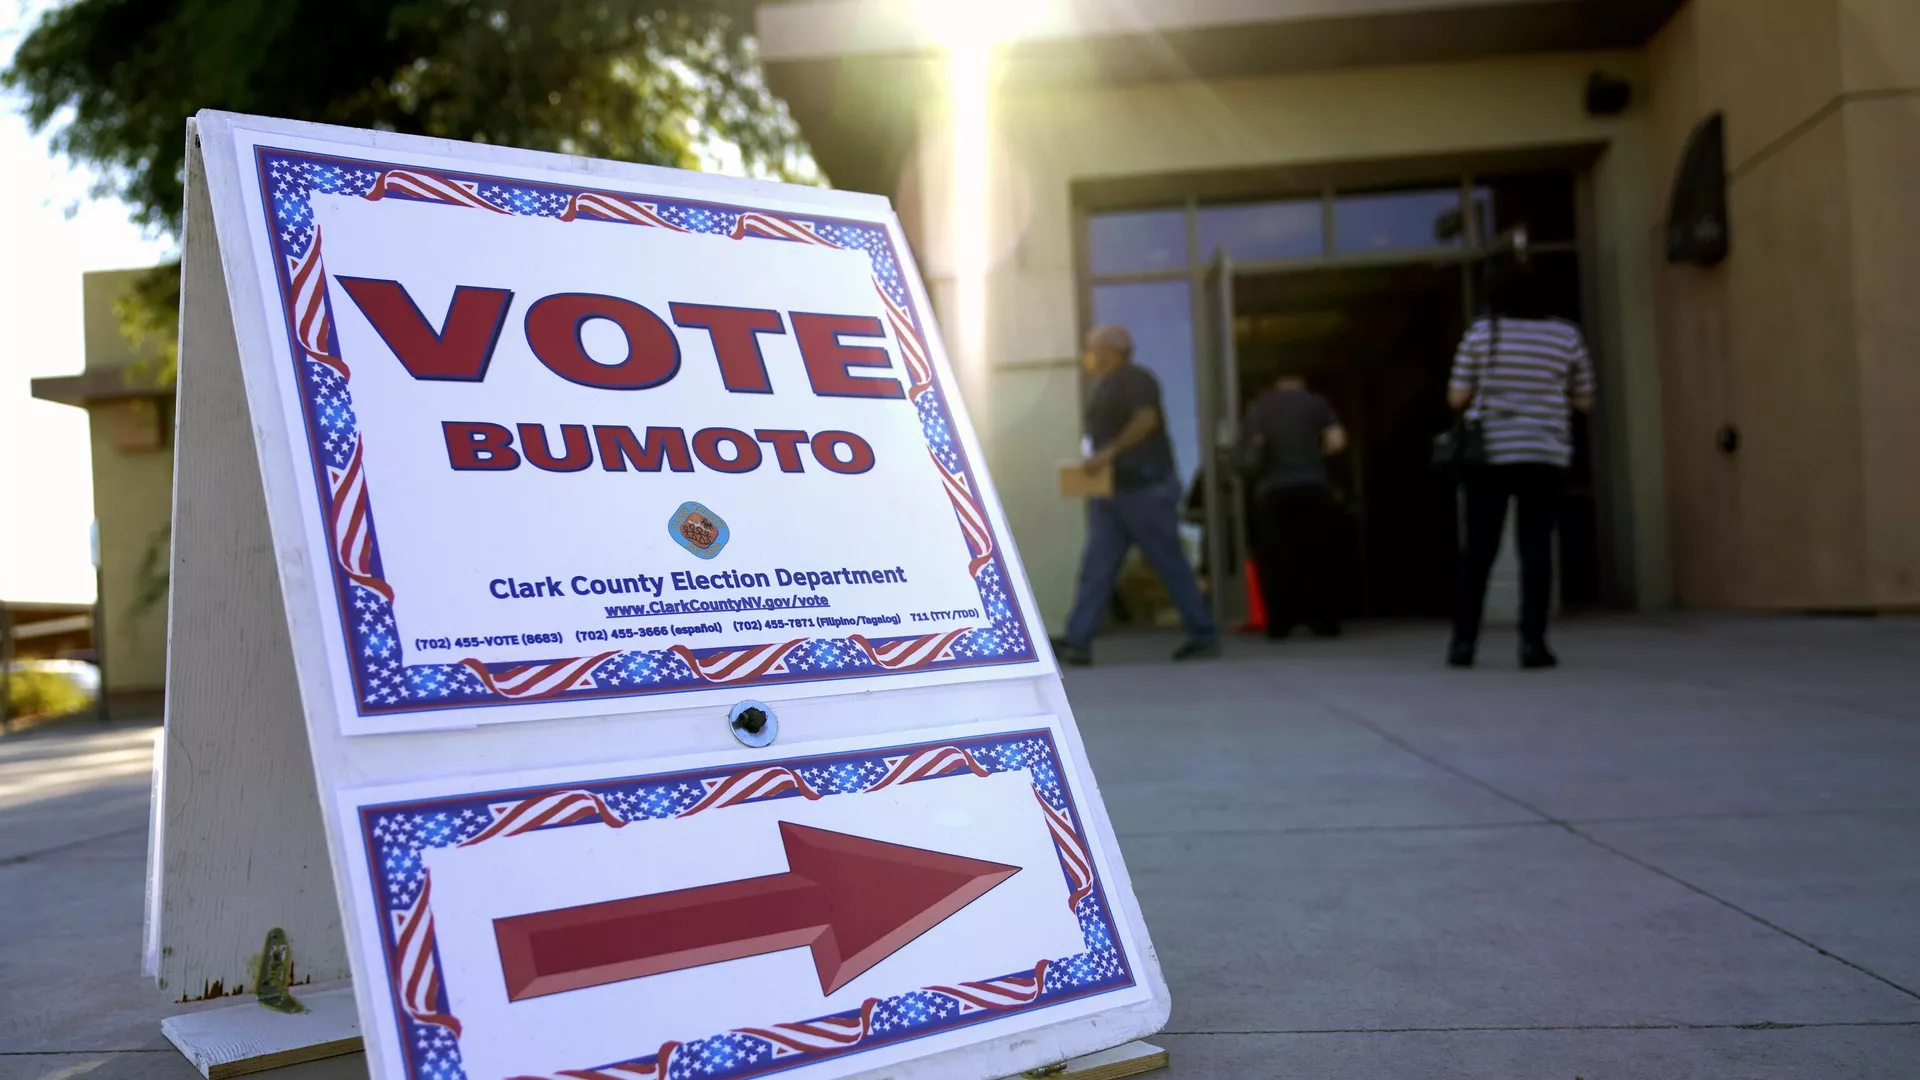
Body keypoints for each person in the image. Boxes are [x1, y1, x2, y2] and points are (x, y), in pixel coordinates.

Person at [1445, 267, 1595, 669]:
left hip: (1490, 455)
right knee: (1536, 551)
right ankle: (1533, 645)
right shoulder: (1567, 336)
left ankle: (1463, 644)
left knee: (1478, 552)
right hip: (1545, 453)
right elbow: (1585, 400)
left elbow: (1457, 397)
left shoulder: (1482, 334)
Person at [1054, 325, 1220, 665]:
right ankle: (1078, 641)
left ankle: (1203, 634)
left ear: (1111, 350)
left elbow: (1146, 420)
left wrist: (1108, 453)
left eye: (1093, 348)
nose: (1089, 355)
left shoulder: (1135, 379)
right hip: (1113, 492)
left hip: (1146, 488)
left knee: (1168, 561)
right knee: (1096, 567)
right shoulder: (1105, 388)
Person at [1239, 372, 1348, 638]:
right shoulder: (1317, 403)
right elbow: (1337, 441)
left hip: (1272, 489)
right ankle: (1322, 622)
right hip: (1312, 485)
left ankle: (1279, 624)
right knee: (1317, 555)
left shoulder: (1258, 408)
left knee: (1276, 558)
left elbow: (1248, 449)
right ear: (1301, 381)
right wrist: (1315, 456)